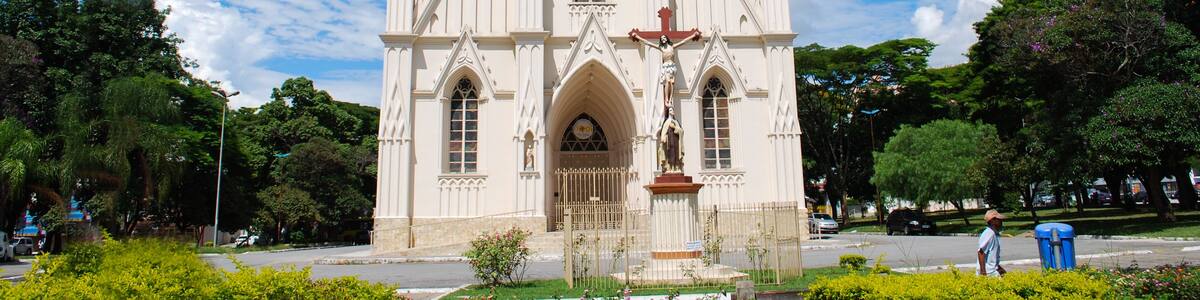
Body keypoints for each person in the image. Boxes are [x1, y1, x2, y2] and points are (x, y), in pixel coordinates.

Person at [977, 209, 1007, 276]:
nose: (1001, 222)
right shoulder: (989, 234)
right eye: (999, 220)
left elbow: (990, 256)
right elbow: (981, 252)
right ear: (992, 220)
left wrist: (999, 268)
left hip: (992, 271)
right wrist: (983, 273)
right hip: (989, 273)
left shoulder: (993, 233)